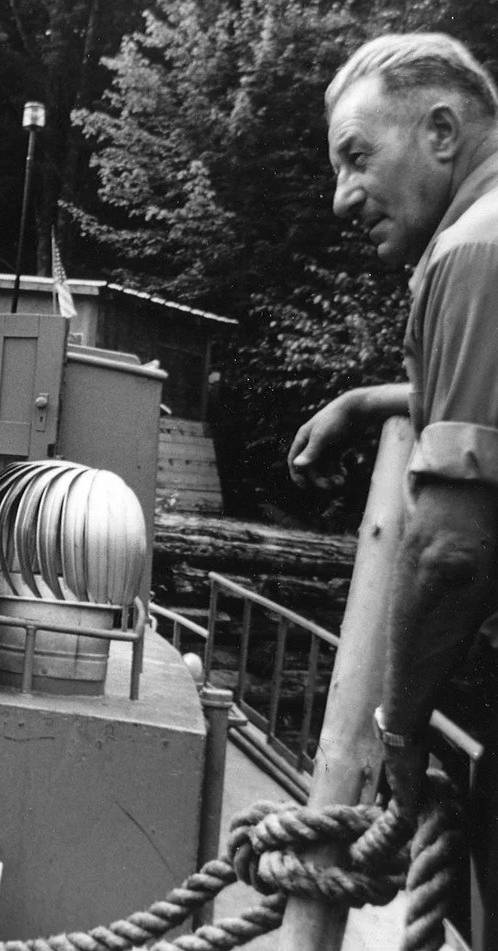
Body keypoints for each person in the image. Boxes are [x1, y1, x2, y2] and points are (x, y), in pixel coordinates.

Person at [288, 31, 498, 915]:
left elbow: (450, 549)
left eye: (357, 158)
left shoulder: (473, 253)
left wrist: (400, 731)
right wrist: (375, 400)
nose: (343, 198)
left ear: (442, 132)